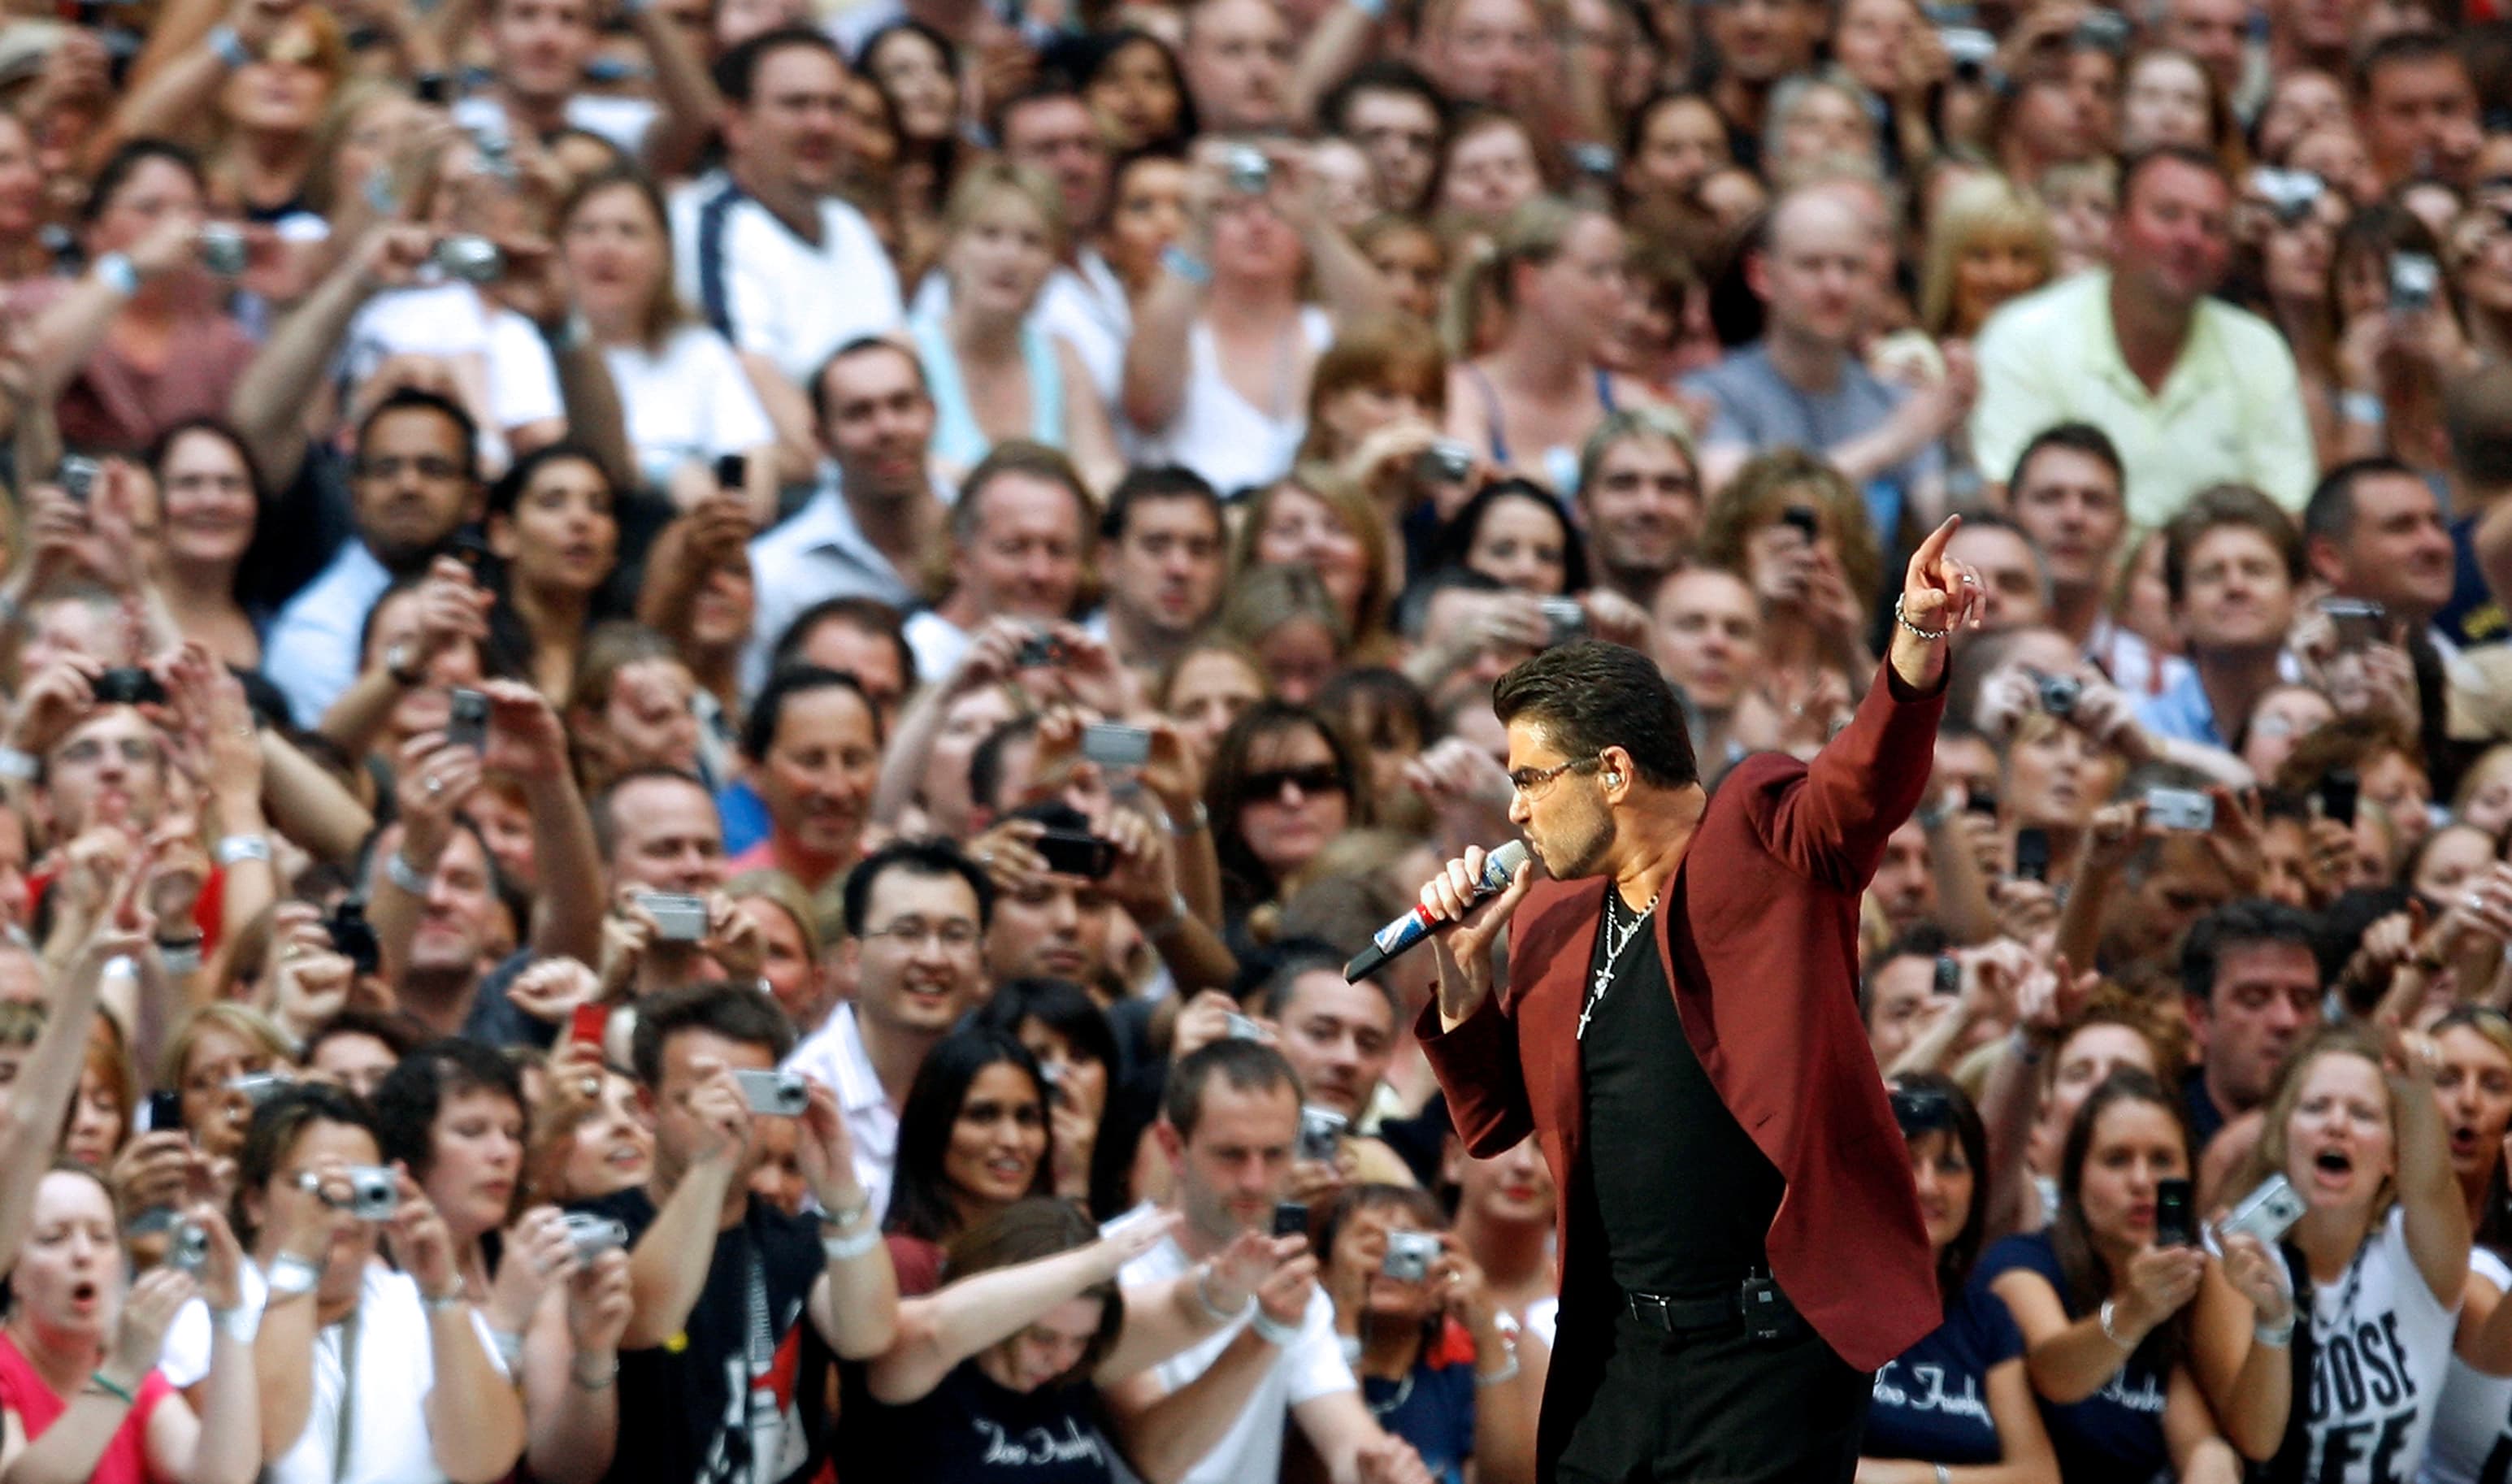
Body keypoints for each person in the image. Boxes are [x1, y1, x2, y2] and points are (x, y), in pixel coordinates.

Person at [1409, 517, 1988, 1480]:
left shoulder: (1760, 829)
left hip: (1765, 1360)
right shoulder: (1547, 912)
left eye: (1528, 779)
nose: (1512, 808)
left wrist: (1915, 642)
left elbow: (1861, 781)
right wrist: (1461, 979)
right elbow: (1498, 1121)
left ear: (1614, 773)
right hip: (1616, 1358)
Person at [575, 978, 897, 1484]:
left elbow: (868, 1335)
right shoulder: (595, 1228)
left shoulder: (798, 1239)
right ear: (647, 1105)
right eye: (700, 1097)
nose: (729, 1114)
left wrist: (840, 1189)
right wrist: (711, 1165)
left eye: (747, 1094)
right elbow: (645, 1322)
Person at [1098, 1039, 1435, 1484]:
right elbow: (1159, 1459)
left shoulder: (1290, 1278)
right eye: (1232, 1155)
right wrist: (1266, 1332)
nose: (1255, 1181)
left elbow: (1347, 1438)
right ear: (1173, 1148)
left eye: (1275, 1154)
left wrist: (1384, 1469)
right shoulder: (1108, 1263)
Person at [1970, 147, 2317, 523]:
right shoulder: (2025, 335)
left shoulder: (2258, 349)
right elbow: (2002, 497)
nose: (2189, 237)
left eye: (2210, 225)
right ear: (2116, 229)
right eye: (2168, 215)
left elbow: (2287, 512)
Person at [1976, 1069, 2288, 1482]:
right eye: (2117, 1159)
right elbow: (2057, 1376)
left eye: (2162, 1160)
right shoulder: (2022, 1263)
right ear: (2077, 1177)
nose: (2143, 1181)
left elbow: (2249, 1440)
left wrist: (2273, 1322)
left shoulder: (2194, 1277)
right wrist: (2135, 1310)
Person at [240, 1082, 530, 1484]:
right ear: (254, 1201)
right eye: (316, 1186)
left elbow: (485, 1461)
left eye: (360, 1184)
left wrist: (443, 1293)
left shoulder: (413, 1305)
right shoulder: (211, 1306)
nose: (340, 1206)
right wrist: (300, 1264)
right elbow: (265, 1442)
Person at [1686, 184, 1968, 521]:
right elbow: (1745, 510)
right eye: (1811, 265)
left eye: (1850, 267)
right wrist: (1892, 442)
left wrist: (1958, 434)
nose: (1835, 286)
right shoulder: (1712, 396)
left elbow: (1950, 528)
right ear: (1760, 275)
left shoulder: (1894, 401)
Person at [670, 28, 905, 389]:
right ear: (737, 125)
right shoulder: (700, 221)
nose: (822, 125)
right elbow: (747, 385)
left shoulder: (849, 224)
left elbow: (897, 358)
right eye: (797, 104)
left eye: (836, 106)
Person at [1859, 1074, 2060, 1482]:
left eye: (1950, 1165)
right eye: (1907, 1160)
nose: (1929, 1185)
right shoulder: (1824, 1304)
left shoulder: (1986, 1316)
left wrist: (1924, 1479)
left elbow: (2038, 1474)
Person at [785, 838, 996, 1217]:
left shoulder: (998, 1081)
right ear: (852, 958)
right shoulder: (802, 1090)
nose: (933, 958)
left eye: (956, 936)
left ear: (983, 961)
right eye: (908, 932)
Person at [0, 1174, 258, 1484]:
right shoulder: (121, 1369)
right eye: (53, 1238)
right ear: (11, 1269)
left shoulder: (130, 1376)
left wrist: (230, 1312)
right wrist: (122, 1371)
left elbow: (221, 1477)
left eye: (101, 1238)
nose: (84, 1254)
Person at [909, 163, 1124, 490]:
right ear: (950, 247)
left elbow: (1103, 473)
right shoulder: (906, 354)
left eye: (1032, 241)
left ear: (1054, 263)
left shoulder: (1062, 357)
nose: (1010, 256)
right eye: (989, 235)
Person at [1313, 1182, 1540, 1484]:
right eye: (1369, 1246)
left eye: (1405, 1248)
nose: (1386, 1264)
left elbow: (1510, 1480)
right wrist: (1346, 1317)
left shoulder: (1461, 1378)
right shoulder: (1301, 1370)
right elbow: (1326, 1469)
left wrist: (1485, 1328)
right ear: (1325, 1269)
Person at [1446, 197, 1656, 497]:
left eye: (1621, 274)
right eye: (1598, 272)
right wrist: (1583, 469)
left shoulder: (1632, 401)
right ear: (1529, 281)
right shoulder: (1455, 392)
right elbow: (1459, 489)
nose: (1618, 291)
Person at [879, 1028, 1055, 1295]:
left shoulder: (1050, 1255)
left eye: (1027, 1118)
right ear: (932, 1126)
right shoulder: (905, 1261)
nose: (1012, 1140)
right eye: (983, 1115)